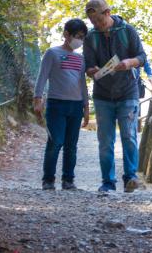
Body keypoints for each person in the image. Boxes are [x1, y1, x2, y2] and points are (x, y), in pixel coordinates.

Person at [83, 0, 147, 193]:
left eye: (99, 21)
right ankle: (107, 182)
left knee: (129, 135)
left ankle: (130, 177)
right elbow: (88, 66)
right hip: (102, 95)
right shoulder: (91, 37)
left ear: (108, 13)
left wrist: (129, 63)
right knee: (105, 139)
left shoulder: (128, 31)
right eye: (93, 22)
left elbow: (142, 57)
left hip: (128, 91)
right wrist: (92, 70)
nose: (97, 25)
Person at [33, 18, 90, 191]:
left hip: (76, 106)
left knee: (71, 145)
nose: (79, 41)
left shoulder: (81, 58)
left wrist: (86, 107)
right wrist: (37, 99)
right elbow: (42, 77)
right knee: (55, 141)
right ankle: (48, 180)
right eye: (77, 36)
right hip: (56, 104)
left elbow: (82, 83)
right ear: (66, 34)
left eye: (82, 37)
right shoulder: (52, 53)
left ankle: (68, 180)